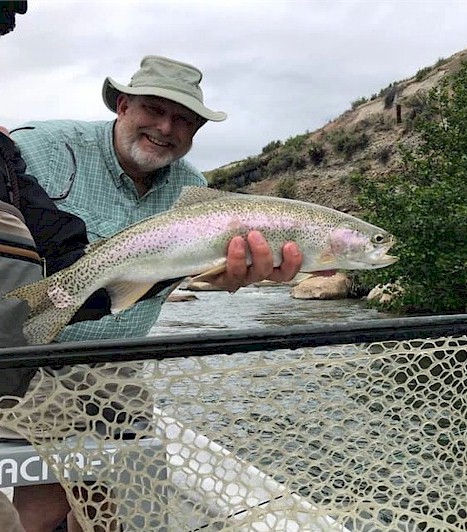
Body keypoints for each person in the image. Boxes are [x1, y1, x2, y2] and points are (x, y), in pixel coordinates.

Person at [3, 53, 309, 531]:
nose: (166, 127)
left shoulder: (195, 191)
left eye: (184, 119)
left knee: (114, 500)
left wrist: (229, 279)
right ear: (122, 105)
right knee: (46, 500)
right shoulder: (39, 147)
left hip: (112, 361)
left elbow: (193, 277)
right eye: (154, 109)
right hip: (21, 355)